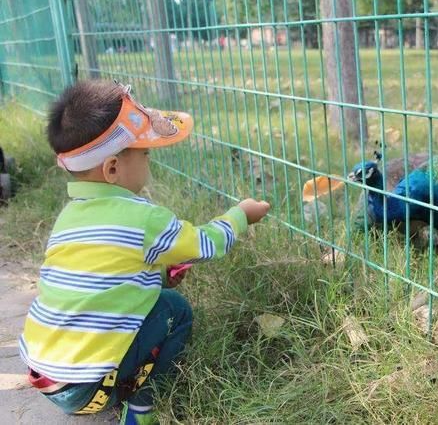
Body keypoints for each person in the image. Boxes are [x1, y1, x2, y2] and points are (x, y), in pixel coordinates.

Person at [18, 80, 270, 425]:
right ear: (112, 168)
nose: (149, 162)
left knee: (155, 296)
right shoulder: (144, 218)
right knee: (175, 310)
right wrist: (242, 214)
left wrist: (160, 274)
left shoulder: (68, 219)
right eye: (145, 154)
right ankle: (141, 410)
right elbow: (206, 244)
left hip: (48, 379)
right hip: (89, 389)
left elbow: (108, 277)